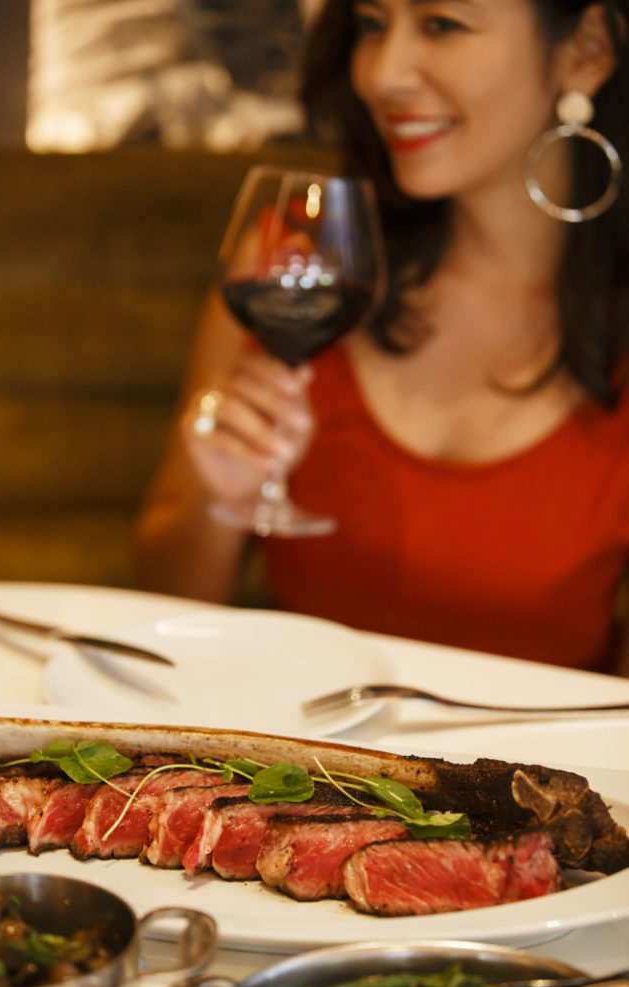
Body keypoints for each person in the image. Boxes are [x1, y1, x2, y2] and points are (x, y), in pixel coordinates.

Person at [134, 0, 629, 675]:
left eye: (441, 25)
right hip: (297, 736)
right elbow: (160, 621)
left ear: (585, 52)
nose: (382, 74)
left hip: (555, 747)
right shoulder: (298, 262)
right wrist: (222, 498)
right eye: (371, 25)